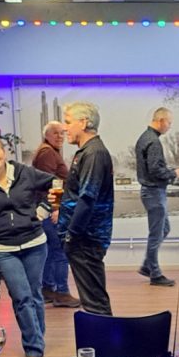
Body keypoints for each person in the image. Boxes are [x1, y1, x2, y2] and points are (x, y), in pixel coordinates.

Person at [0, 135, 57, 357]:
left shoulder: (24, 172)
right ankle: (34, 349)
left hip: (35, 242)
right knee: (21, 297)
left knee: (34, 295)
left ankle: (37, 340)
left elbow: (56, 183)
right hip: (4, 247)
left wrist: (45, 208)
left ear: (4, 152)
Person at [58, 100, 115, 316]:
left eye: (68, 122)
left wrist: (71, 235)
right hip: (82, 239)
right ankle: (100, 337)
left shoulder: (94, 153)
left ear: (83, 123)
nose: (64, 128)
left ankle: (104, 339)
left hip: (86, 239)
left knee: (95, 304)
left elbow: (88, 198)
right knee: (92, 301)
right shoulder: (87, 152)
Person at [135, 106, 179, 287]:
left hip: (151, 192)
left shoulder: (145, 138)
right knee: (156, 234)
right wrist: (174, 173)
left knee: (164, 229)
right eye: (169, 123)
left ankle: (147, 265)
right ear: (161, 121)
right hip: (154, 192)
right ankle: (154, 274)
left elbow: (152, 168)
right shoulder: (153, 142)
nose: (170, 126)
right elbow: (155, 170)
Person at [32, 121, 80, 309]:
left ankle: (48, 289)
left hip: (46, 210)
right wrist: (55, 208)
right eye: (55, 133)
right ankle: (62, 292)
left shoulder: (49, 151)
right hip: (50, 210)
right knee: (60, 250)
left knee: (51, 251)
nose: (60, 136)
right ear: (46, 135)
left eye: (62, 133)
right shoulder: (47, 153)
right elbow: (49, 184)